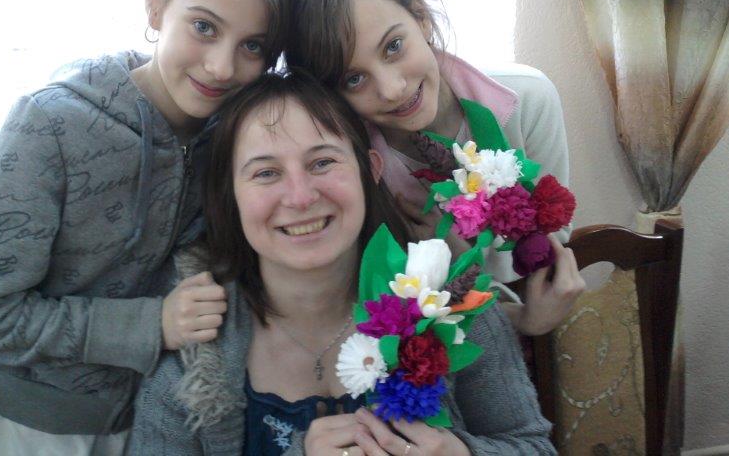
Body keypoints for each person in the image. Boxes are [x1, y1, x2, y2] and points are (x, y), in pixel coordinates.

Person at [0, 0, 298, 455]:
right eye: (204, 27)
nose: (221, 67)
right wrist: (151, 324)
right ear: (156, 5)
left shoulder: (237, 137)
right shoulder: (50, 124)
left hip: (155, 423)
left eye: (252, 46)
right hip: (30, 429)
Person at [127, 70, 556, 455]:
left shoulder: (451, 304)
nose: (300, 197)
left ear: (370, 169)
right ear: (229, 195)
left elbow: (533, 446)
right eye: (266, 173)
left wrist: (460, 454)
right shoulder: (195, 345)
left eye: (323, 162)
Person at [285, 0, 585, 337]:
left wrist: (477, 265)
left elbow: (552, 243)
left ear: (421, 16)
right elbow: (394, 308)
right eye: (354, 79)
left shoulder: (527, 100)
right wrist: (465, 277)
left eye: (393, 46)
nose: (392, 89)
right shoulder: (355, 169)